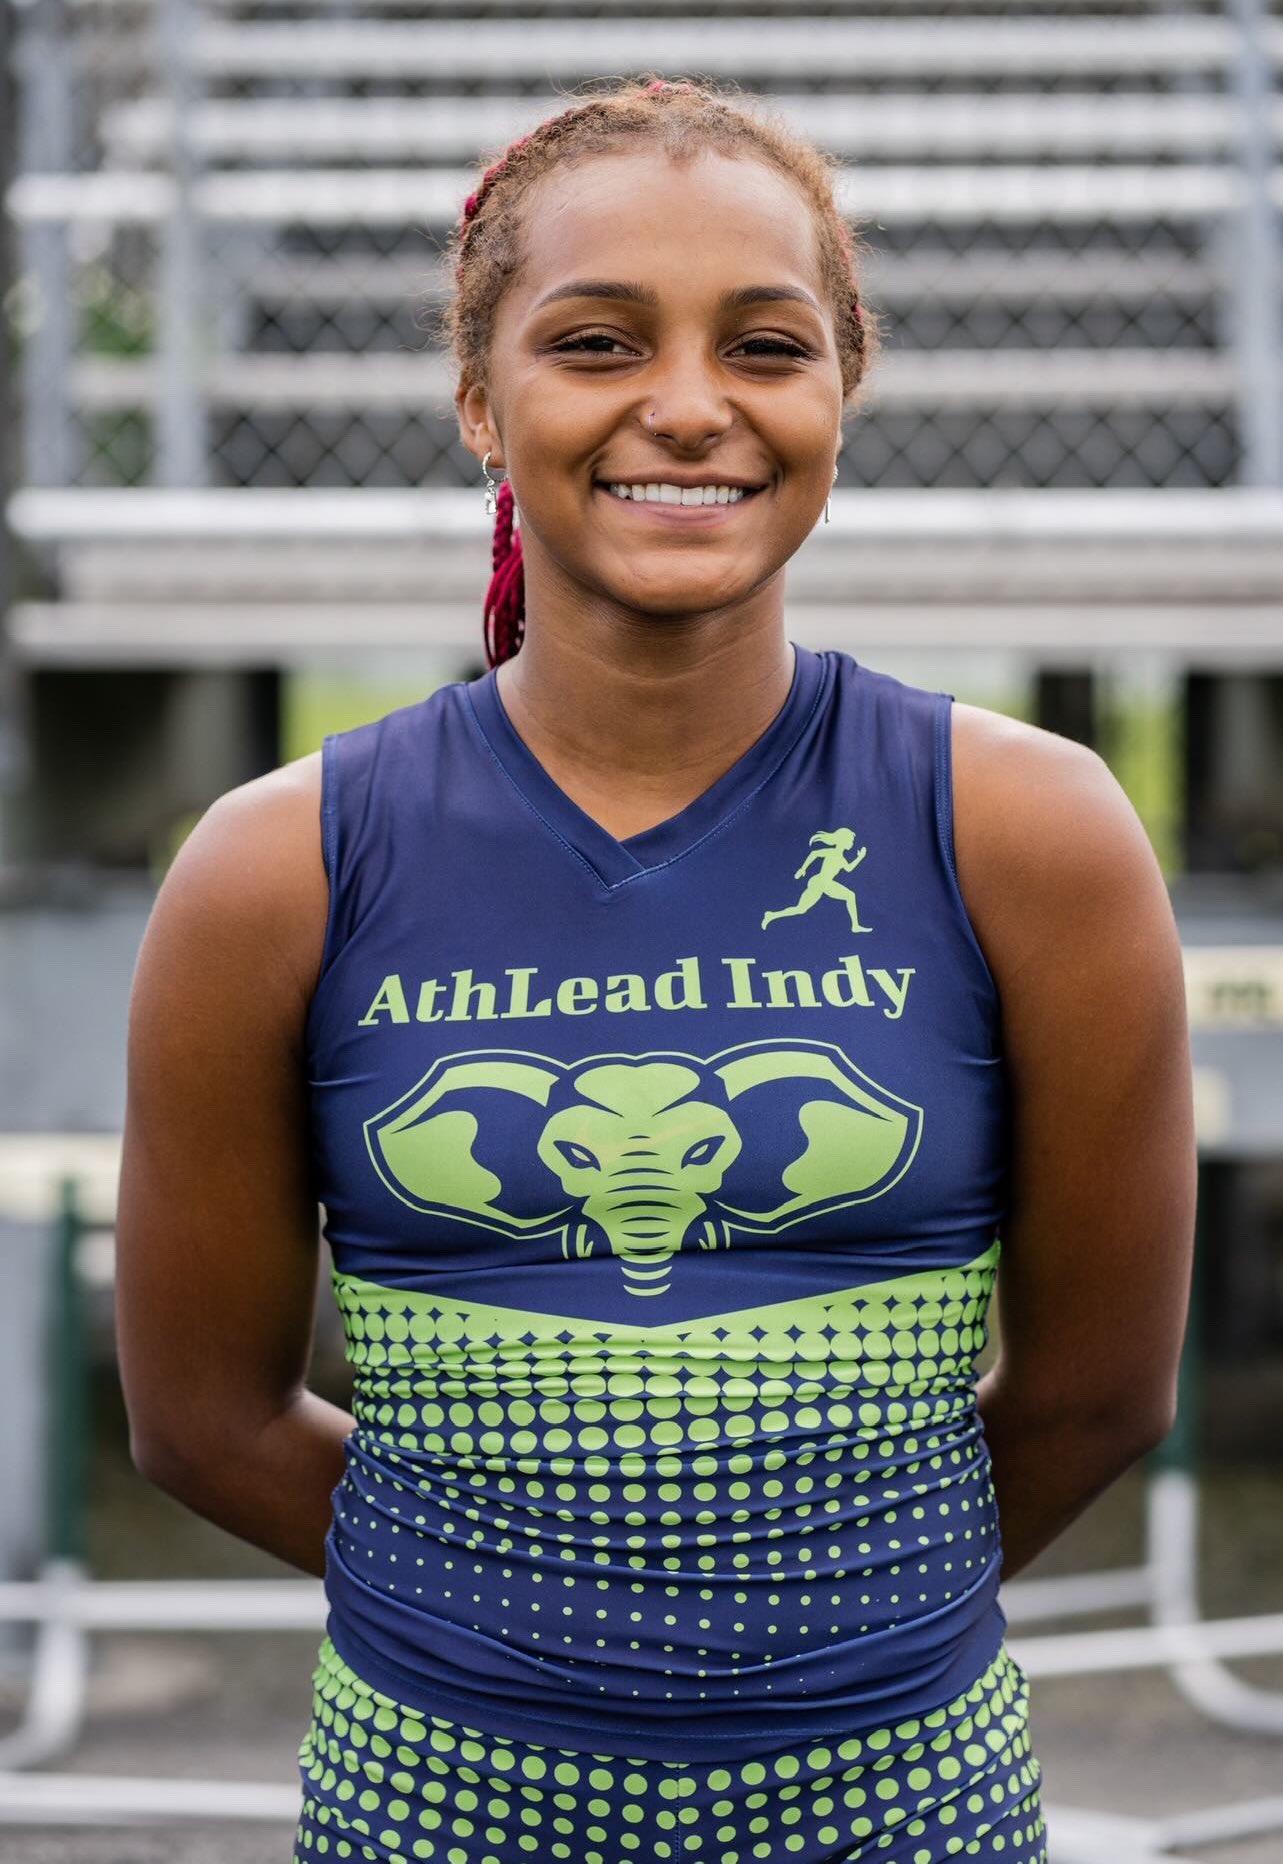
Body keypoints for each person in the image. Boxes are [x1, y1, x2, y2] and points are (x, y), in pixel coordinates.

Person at [114, 74, 1197, 1864]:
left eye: (765, 347)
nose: (689, 406)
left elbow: (1100, 1393)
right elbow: (200, 1421)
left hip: (905, 1805)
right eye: (597, 342)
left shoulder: (1031, 835)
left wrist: (829, 1622)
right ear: (482, 398)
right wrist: (529, 1624)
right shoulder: (278, 867)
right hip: (435, 1804)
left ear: (843, 388)